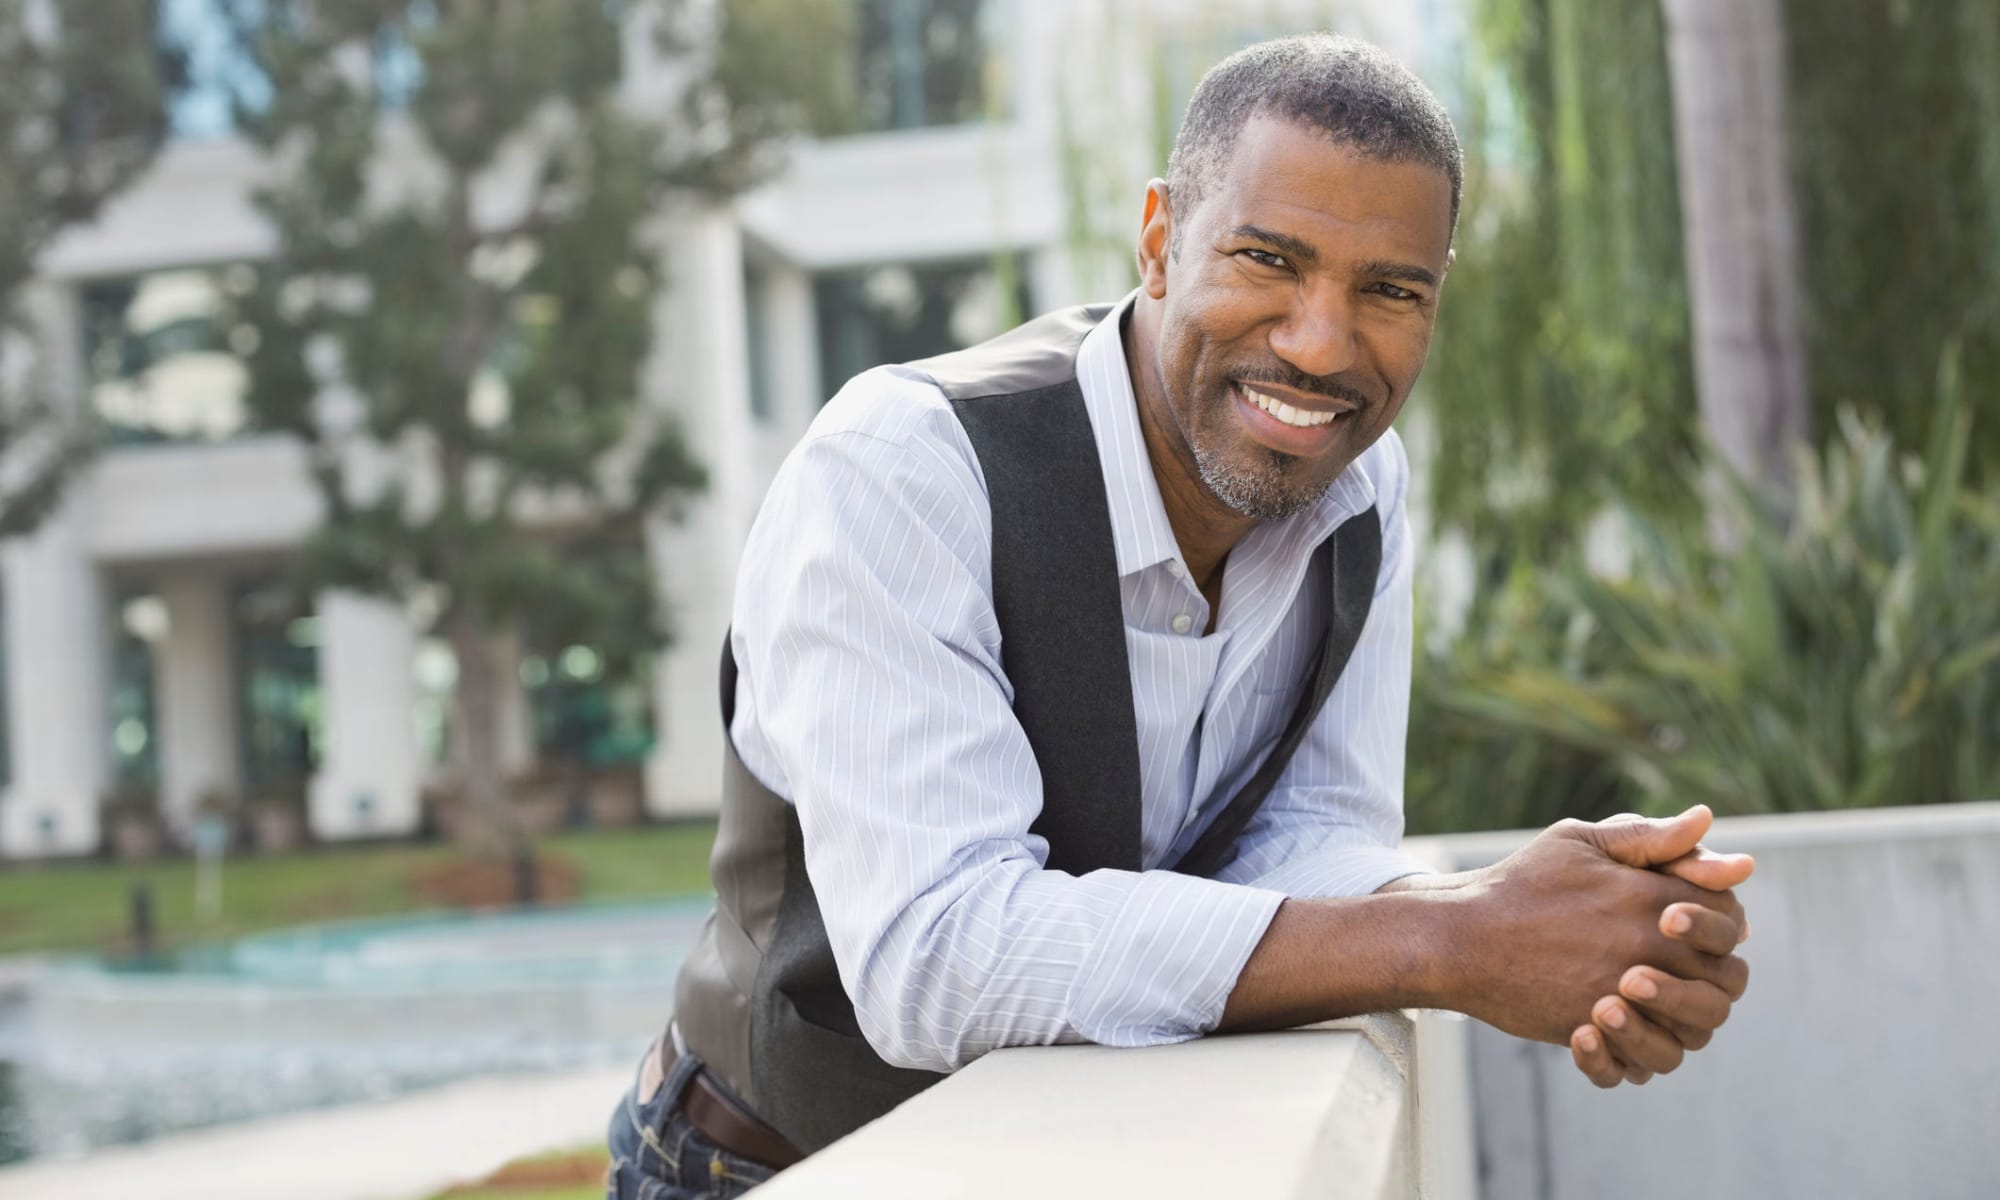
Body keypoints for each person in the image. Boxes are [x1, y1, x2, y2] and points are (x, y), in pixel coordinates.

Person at [606, 32, 1752, 1200]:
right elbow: (936, 956)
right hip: (767, 1168)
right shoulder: (904, 469)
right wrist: (1448, 943)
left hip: (1074, 1161)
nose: (1319, 344)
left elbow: (1311, 838)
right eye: (1267, 260)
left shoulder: (1361, 486)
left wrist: (1560, 929)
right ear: (1158, 241)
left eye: (1389, 291)